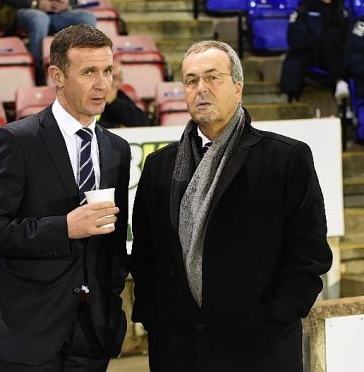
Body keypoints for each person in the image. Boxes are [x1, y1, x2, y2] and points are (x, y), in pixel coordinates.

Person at [130, 40, 332, 372]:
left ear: (238, 87)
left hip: (259, 346)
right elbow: (146, 253)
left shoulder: (285, 157)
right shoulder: (158, 166)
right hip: (178, 348)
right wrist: (155, 317)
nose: (201, 89)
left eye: (213, 77)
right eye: (191, 80)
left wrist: (277, 313)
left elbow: (310, 253)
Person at [0, 24, 130, 371]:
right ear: (57, 75)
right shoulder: (16, 141)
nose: (102, 84)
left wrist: (111, 301)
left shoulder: (117, 148)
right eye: (88, 72)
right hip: (29, 330)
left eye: (108, 71)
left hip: (94, 332)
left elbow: (115, 240)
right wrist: (63, 228)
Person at [280, 0, 349, 102]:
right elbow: (296, 42)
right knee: (332, 35)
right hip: (311, 56)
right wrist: (323, 40)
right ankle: (339, 82)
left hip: (340, 56)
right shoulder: (303, 11)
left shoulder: (342, 12)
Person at [0, 0, 96, 63]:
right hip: (26, 10)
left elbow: (75, 2)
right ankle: (38, 67)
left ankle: (86, 63)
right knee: (40, 19)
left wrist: (68, 3)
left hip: (58, 14)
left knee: (87, 18)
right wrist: (35, 3)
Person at [98, 59, 150, 128]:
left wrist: (114, 101)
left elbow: (143, 122)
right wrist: (117, 127)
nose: (114, 82)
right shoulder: (89, 97)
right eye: (111, 77)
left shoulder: (119, 96)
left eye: (117, 78)